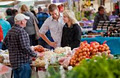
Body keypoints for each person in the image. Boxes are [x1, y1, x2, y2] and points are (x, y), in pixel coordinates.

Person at [3, 13, 42, 78]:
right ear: (22, 21)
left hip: (14, 62)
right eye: (25, 20)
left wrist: (14, 49)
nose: (26, 21)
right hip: (23, 62)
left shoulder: (10, 31)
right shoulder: (21, 32)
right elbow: (25, 48)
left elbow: (5, 43)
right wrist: (36, 55)